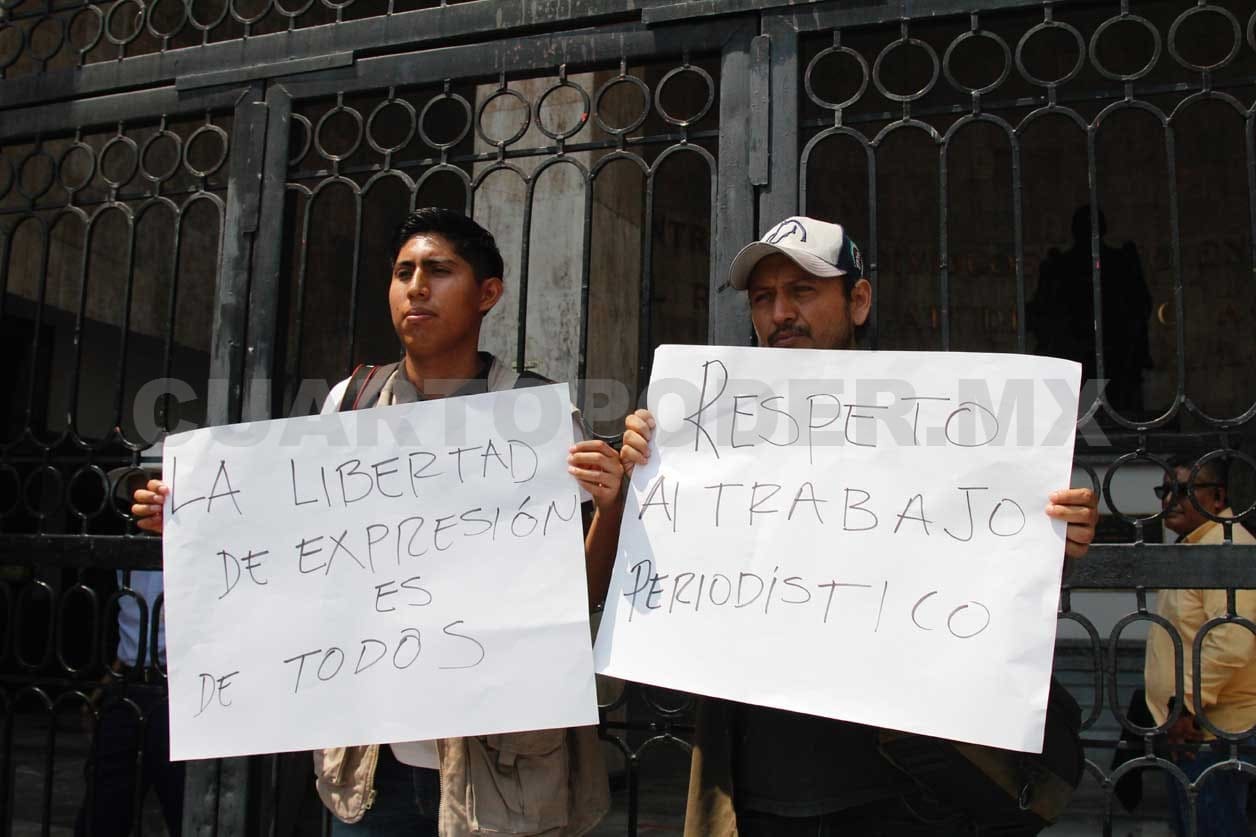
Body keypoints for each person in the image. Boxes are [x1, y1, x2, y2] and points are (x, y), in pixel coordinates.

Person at [133, 208, 619, 836]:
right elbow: (296, 551)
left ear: (488, 294)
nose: (416, 286)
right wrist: (195, 529)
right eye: (403, 272)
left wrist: (608, 512)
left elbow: (582, 592)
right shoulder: (350, 403)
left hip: (500, 768)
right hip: (372, 769)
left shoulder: (538, 420)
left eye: (439, 271)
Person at [615, 216, 1101, 836]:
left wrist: (1060, 530)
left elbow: (992, 556)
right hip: (759, 787)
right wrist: (646, 476)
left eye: (804, 290)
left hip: (904, 786)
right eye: (763, 298)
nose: (779, 312)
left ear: (859, 300)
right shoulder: (709, 429)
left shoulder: (941, 421)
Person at [1144, 455, 1256, 837]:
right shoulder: (1194, 547)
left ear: (1218, 497)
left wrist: (1186, 705)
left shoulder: (1227, 548)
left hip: (1211, 730)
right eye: (1165, 490)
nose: (1170, 500)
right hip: (1191, 726)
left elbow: (1232, 640)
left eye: (1183, 490)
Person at [76, 447, 184, 837]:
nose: (144, 491)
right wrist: (104, 688)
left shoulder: (195, 549)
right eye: (138, 484)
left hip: (179, 691)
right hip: (129, 690)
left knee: (184, 803)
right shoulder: (127, 550)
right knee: (105, 806)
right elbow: (133, 627)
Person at [1027, 206, 1153, 417]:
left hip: (1105, 356)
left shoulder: (1062, 265)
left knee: (1092, 423)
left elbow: (1140, 307)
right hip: (1096, 356)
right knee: (1105, 422)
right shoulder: (1118, 261)